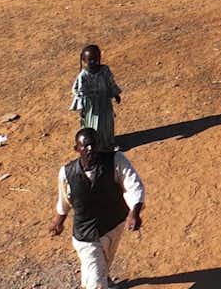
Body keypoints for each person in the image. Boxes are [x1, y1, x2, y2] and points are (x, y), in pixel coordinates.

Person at [48, 127, 144, 289]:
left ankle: (102, 279)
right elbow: (65, 199)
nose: (90, 149)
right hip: (86, 234)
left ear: (100, 145)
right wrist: (59, 221)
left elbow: (133, 185)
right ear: (77, 149)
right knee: (96, 280)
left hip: (114, 224)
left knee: (105, 261)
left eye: (93, 144)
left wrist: (134, 212)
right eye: (85, 146)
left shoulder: (116, 160)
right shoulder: (67, 173)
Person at [73, 44, 124, 149]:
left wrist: (115, 94)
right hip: (92, 106)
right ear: (84, 60)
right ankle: (96, 145)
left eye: (96, 59)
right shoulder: (83, 76)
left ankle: (109, 142)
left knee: (107, 123)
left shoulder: (105, 70)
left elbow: (110, 82)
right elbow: (79, 92)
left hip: (104, 102)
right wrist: (81, 107)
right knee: (94, 125)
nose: (94, 62)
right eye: (90, 60)